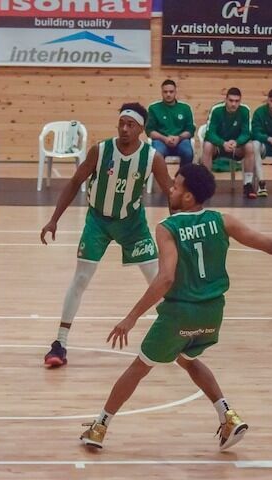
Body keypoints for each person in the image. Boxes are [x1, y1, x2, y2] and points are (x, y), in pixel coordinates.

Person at [79, 164, 272, 450]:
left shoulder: (167, 228)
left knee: (139, 366)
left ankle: (100, 426)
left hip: (180, 313)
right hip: (212, 313)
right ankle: (227, 416)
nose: (170, 188)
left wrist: (131, 317)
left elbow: (167, 277)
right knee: (187, 359)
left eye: (176, 186)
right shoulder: (223, 221)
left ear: (187, 197)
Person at [41, 103, 172, 367]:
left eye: (130, 124)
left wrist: (176, 227)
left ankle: (173, 336)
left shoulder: (151, 157)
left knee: (158, 279)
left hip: (132, 224)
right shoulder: (100, 151)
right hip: (98, 221)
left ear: (141, 129)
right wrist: (54, 219)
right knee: (80, 278)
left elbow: (170, 192)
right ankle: (60, 343)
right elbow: (75, 182)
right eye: (121, 123)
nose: (124, 128)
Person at [201, 87, 256, 198]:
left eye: (236, 101)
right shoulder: (216, 110)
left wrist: (236, 142)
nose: (233, 104)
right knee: (207, 145)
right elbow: (209, 133)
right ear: (225, 100)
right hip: (218, 146)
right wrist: (223, 143)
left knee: (250, 146)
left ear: (240, 101)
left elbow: (247, 133)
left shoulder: (245, 110)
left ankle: (248, 184)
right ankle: (205, 184)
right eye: (231, 100)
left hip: (236, 147)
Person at [146, 79, 196, 166]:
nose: (168, 94)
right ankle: (162, 179)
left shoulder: (185, 108)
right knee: (157, 154)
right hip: (160, 141)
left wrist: (178, 138)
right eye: (165, 92)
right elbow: (150, 131)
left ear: (175, 92)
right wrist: (165, 139)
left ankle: (182, 178)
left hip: (181, 140)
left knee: (188, 153)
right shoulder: (153, 108)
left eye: (171, 91)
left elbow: (190, 130)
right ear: (161, 92)